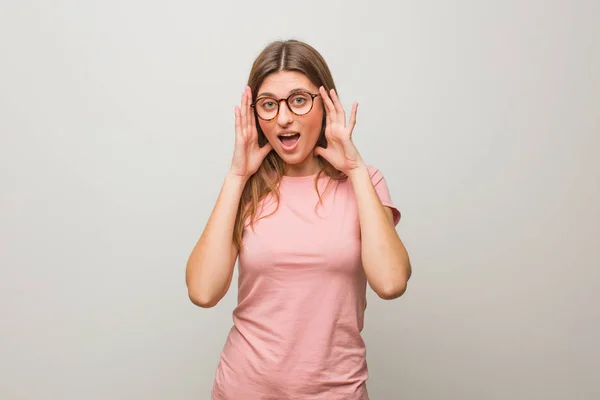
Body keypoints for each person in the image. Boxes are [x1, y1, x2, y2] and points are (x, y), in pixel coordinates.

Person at [185, 39, 412, 400]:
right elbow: (202, 290)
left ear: (326, 104)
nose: (284, 117)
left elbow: (390, 282)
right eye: (269, 105)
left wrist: (354, 168)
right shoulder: (246, 186)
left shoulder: (364, 181)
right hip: (243, 389)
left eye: (299, 100)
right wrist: (235, 176)